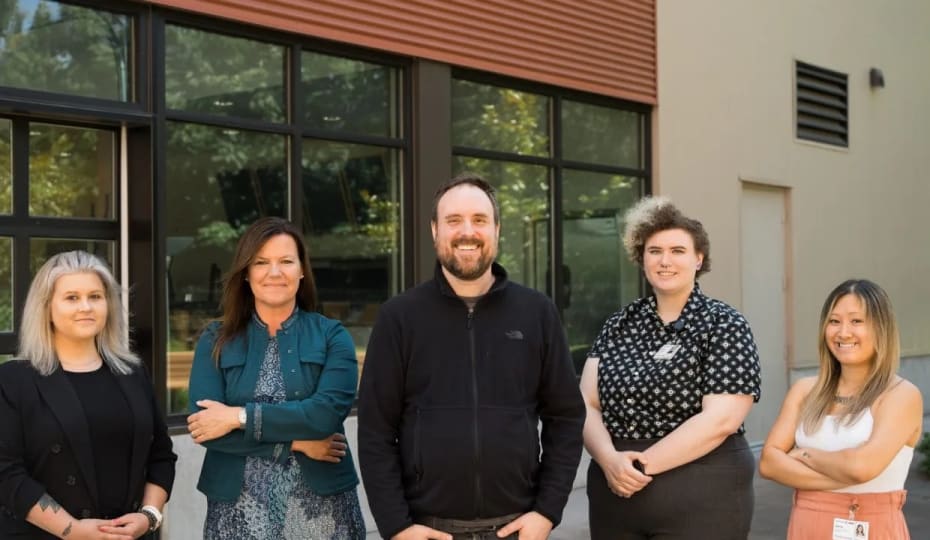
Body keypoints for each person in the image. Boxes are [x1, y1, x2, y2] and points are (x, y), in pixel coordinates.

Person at [358, 172, 585, 540]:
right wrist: (396, 526)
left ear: (496, 229)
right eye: (453, 221)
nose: (467, 231)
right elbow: (374, 431)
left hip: (516, 529)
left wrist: (547, 511)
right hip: (428, 531)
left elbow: (566, 418)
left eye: (479, 220)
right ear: (435, 230)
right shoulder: (400, 317)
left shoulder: (537, 312)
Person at [580, 196, 762, 539]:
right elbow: (586, 403)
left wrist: (637, 468)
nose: (665, 261)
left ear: (698, 258)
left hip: (702, 495)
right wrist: (608, 460)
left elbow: (721, 419)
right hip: (614, 495)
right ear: (641, 258)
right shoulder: (618, 324)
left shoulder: (724, 323)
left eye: (678, 251)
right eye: (655, 251)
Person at [186, 216, 365, 539]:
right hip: (235, 513)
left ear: (301, 270)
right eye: (261, 262)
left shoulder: (332, 336)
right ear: (246, 273)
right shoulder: (215, 340)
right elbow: (207, 428)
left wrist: (237, 416)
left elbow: (323, 417)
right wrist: (295, 443)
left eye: (286, 261)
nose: (274, 272)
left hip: (322, 514)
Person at [0, 251, 176, 539]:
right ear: (46, 308)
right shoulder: (14, 379)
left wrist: (148, 517)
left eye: (95, 296)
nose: (86, 307)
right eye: (71, 297)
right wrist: (71, 530)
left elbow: (161, 455)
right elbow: (6, 473)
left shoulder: (132, 373)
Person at [759, 279, 922, 539]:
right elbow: (769, 463)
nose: (843, 332)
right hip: (806, 523)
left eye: (857, 321)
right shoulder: (805, 390)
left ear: (881, 328)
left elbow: (861, 467)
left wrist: (803, 455)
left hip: (870, 525)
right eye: (834, 321)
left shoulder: (900, 394)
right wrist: (847, 475)